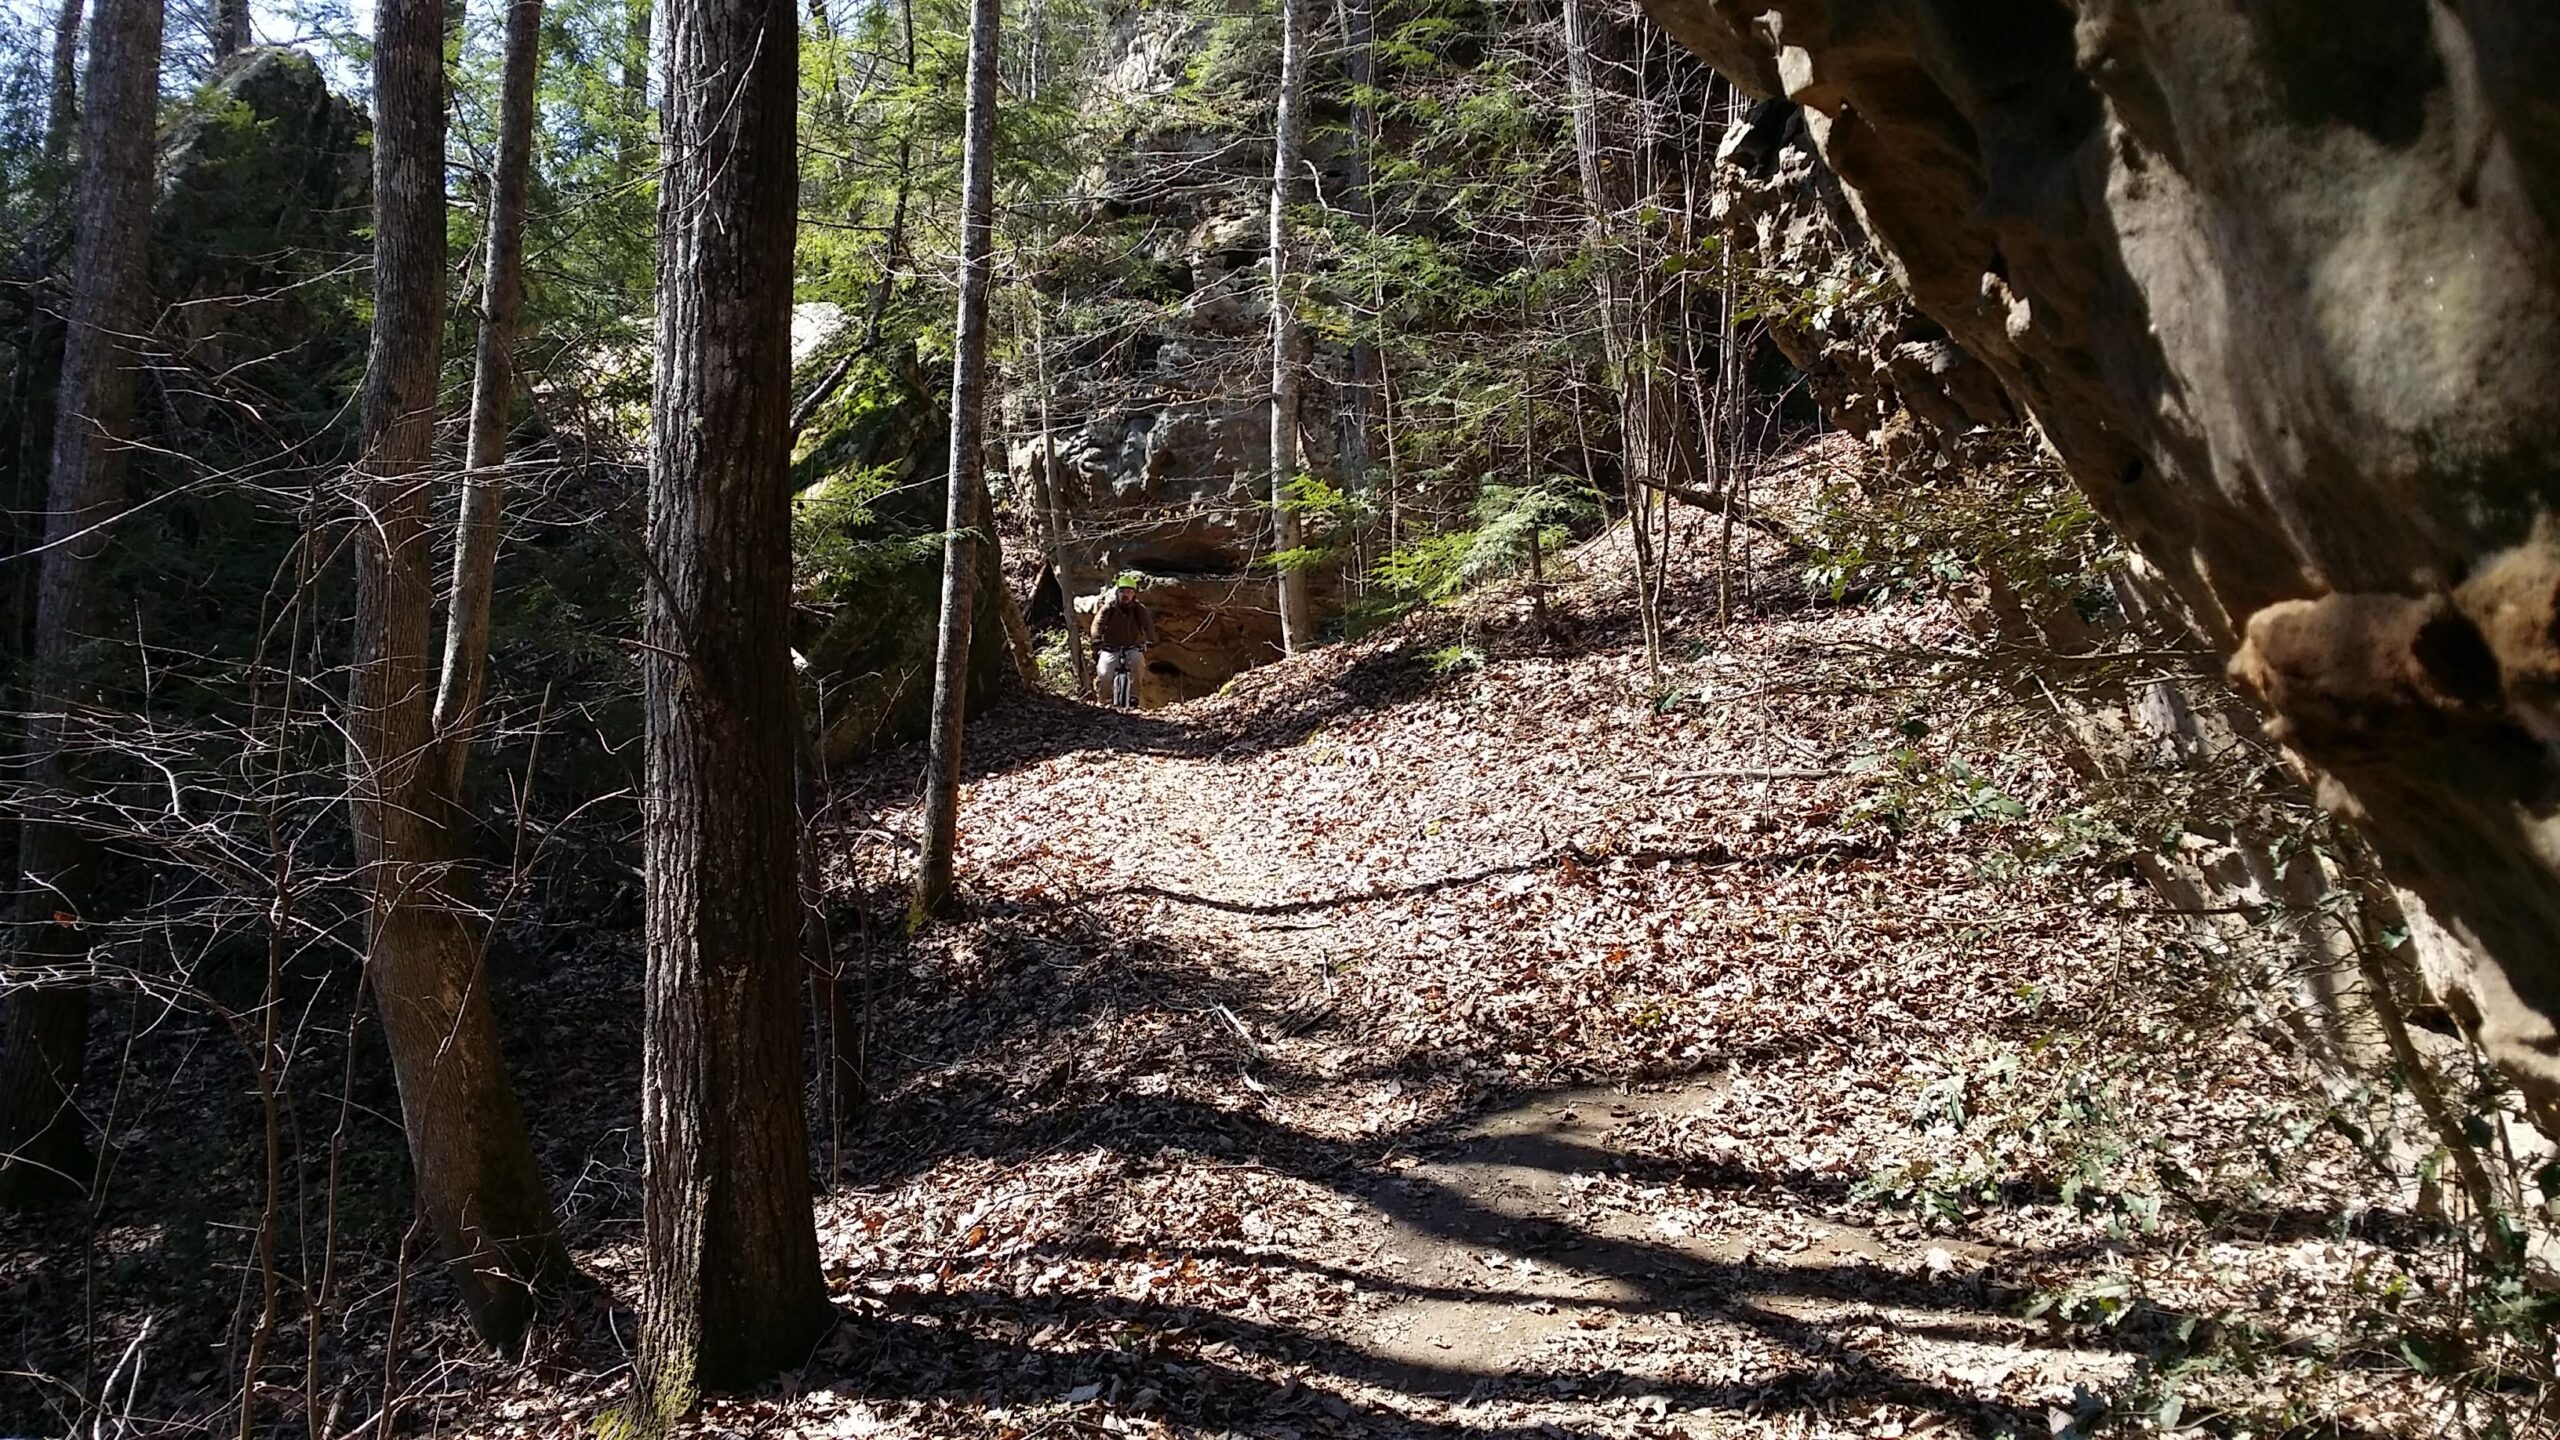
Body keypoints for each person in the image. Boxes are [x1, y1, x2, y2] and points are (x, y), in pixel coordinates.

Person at [1091, 581, 1157, 709]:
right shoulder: (1108, 608)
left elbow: (1148, 626)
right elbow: (1097, 624)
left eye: (1129, 592)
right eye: (1122, 592)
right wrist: (1096, 639)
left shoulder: (1139, 609)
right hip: (1110, 648)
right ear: (1117, 593)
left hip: (1132, 646)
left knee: (1138, 663)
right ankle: (1104, 702)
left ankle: (1134, 697)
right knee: (1104, 673)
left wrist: (1151, 640)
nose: (1125, 595)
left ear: (1134, 595)